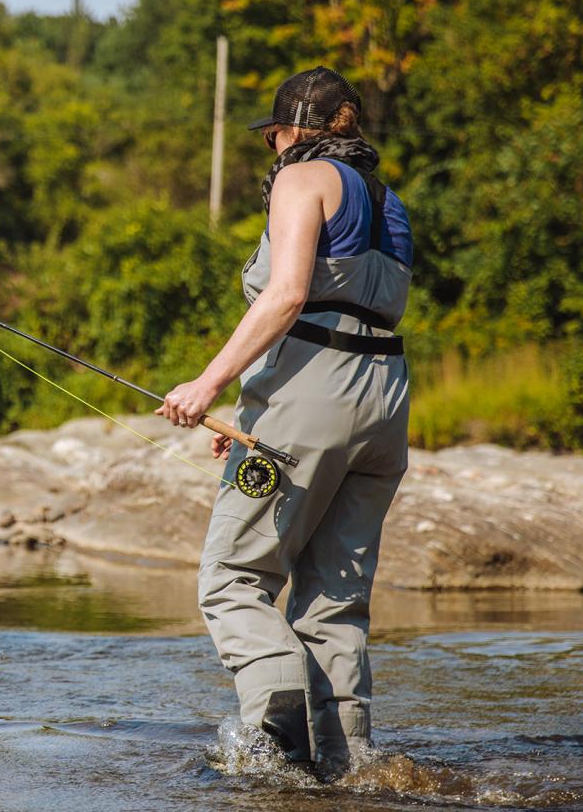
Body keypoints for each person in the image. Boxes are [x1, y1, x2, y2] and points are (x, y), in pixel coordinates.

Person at [155, 67, 413, 774]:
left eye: (272, 135)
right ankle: (348, 760)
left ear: (293, 129)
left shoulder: (304, 180)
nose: (271, 149)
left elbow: (289, 295)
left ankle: (278, 730)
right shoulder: (390, 204)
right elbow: (353, 309)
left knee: (233, 577)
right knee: (335, 601)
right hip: (386, 399)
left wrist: (208, 384)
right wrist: (254, 406)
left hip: (314, 396)